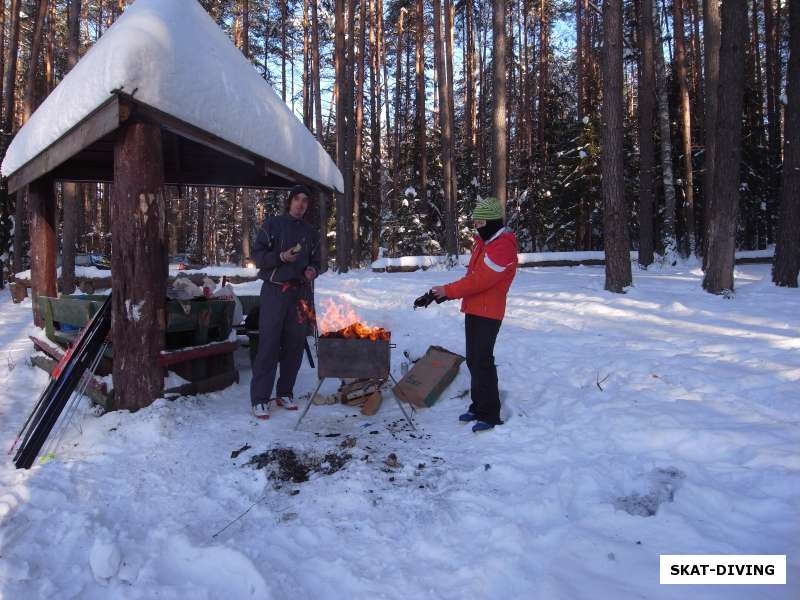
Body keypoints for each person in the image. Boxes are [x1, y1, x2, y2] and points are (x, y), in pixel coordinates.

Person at [432, 197, 518, 432]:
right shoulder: (485, 244)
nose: (477, 227)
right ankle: (478, 406)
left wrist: (447, 292)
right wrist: (440, 292)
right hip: (475, 308)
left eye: (480, 222)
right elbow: (472, 278)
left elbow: (481, 280)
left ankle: (490, 414)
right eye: (475, 222)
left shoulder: (502, 247)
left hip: (489, 312)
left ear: (491, 221)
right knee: (474, 360)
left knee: (482, 361)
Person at [250, 184, 320, 419]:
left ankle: (285, 392)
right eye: (297, 199)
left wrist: (312, 269)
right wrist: (280, 257)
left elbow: (319, 261)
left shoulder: (311, 232)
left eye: (305, 200)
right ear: (289, 202)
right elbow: (257, 256)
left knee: (295, 344)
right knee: (269, 344)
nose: (300, 204)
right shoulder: (273, 225)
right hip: (274, 292)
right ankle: (260, 398)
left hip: (300, 295)